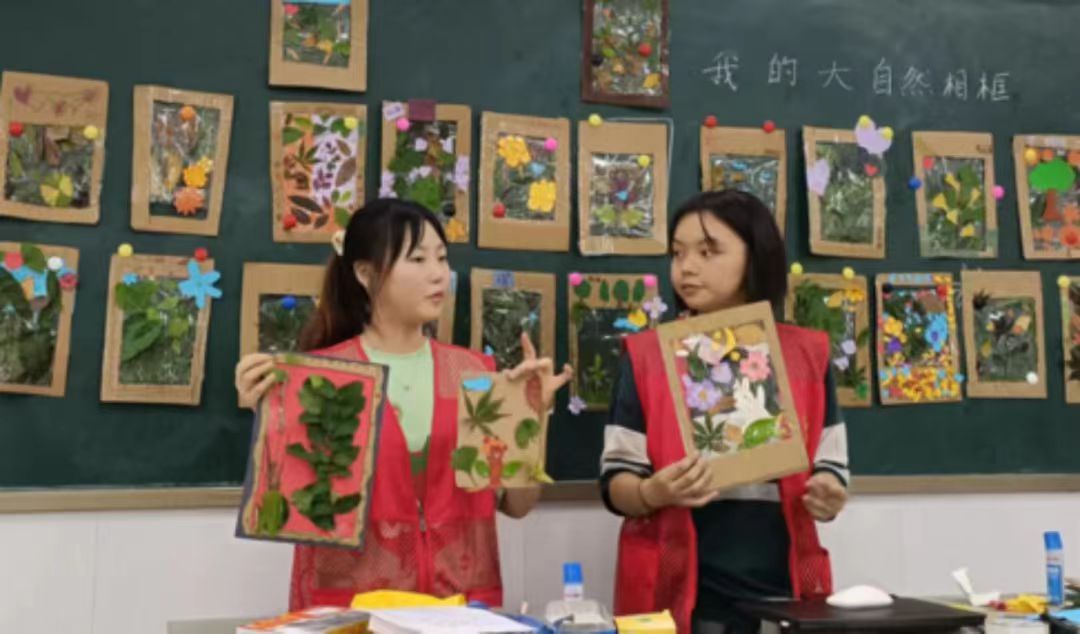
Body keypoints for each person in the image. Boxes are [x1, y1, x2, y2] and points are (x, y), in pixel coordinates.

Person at [235, 198, 572, 610]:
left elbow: (517, 505)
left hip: (459, 609)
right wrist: (268, 420)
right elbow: (298, 508)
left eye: (442, 258)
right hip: (355, 610)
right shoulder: (323, 379)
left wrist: (532, 416)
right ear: (365, 273)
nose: (438, 274)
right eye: (417, 259)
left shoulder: (472, 374)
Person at [599, 190, 850, 634]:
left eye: (708, 251)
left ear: (755, 256)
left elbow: (831, 467)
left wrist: (828, 494)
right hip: (678, 593)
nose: (686, 267)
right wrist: (651, 493)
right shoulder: (647, 356)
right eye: (677, 253)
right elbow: (616, 480)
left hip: (783, 590)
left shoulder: (805, 355)